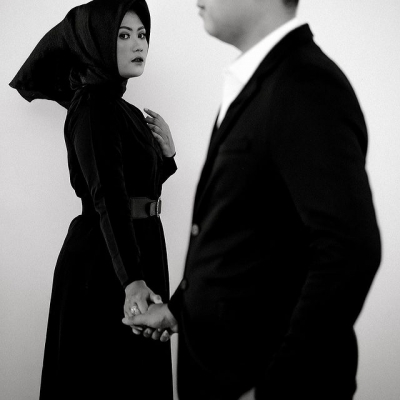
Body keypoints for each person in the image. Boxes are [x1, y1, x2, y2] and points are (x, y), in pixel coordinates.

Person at [124, 0, 382, 399]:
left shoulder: (306, 85)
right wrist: (178, 310)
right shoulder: (260, 81)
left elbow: (350, 251)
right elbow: (244, 234)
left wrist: (275, 390)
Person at [10, 0, 176, 399]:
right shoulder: (93, 106)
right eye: (123, 35)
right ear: (97, 41)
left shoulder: (123, 110)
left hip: (135, 249)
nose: (138, 44)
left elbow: (141, 188)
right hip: (107, 263)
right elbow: (109, 196)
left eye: (142, 35)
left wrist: (168, 155)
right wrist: (131, 279)